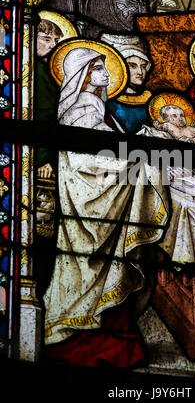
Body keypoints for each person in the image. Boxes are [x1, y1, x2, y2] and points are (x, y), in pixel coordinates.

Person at [43, 44, 170, 368]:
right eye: (99, 67)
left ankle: (112, 345)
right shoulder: (82, 108)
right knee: (91, 271)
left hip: (99, 204)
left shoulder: (94, 107)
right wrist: (141, 161)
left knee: (100, 275)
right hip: (89, 208)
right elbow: (91, 161)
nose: (107, 73)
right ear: (83, 76)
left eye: (104, 66)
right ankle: (88, 347)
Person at [101, 34, 152, 133]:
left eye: (143, 66)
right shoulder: (107, 102)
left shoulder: (152, 100)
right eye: (133, 66)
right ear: (118, 67)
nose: (140, 72)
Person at [36, 19, 64, 179]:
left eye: (56, 41)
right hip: (40, 150)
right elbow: (43, 115)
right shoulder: (38, 71)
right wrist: (43, 158)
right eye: (46, 39)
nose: (53, 45)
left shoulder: (49, 70)